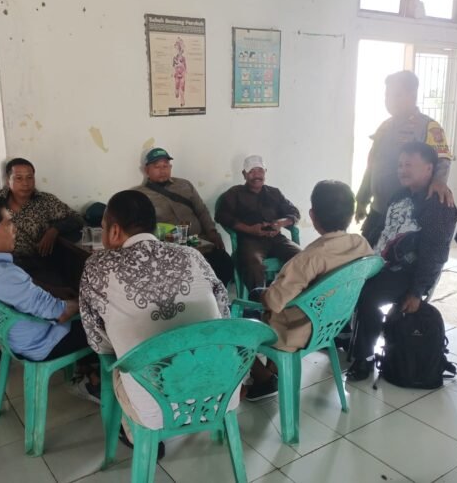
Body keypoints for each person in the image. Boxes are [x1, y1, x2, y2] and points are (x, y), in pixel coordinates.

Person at [79, 190, 232, 457]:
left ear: (114, 231)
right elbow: (223, 310)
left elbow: (98, 342)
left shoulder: (97, 266)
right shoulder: (192, 255)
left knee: (119, 363)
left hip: (153, 404)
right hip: (219, 390)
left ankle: (138, 435)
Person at [0, 157, 85, 383]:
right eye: (19, 178)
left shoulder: (45, 201)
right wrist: (85, 304)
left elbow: (76, 219)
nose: (25, 183)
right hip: (9, 272)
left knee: (55, 288)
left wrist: (53, 230)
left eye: (30, 177)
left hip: (33, 262)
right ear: (8, 180)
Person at [245, 181, 373, 400]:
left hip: (297, 332)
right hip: (332, 324)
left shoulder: (307, 259)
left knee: (240, 314)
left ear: (313, 216)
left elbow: (274, 301)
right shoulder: (360, 244)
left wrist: (262, 293)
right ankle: (274, 370)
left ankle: (264, 378)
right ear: (351, 215)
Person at [348, 142, 457, 381]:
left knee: (369, 295)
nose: (402, 170)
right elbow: (382, 231)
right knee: (345, 278)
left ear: (429, 168)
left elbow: (435, 254)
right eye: (400, 165)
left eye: (409, 165)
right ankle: (348, 335)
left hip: (408, 272)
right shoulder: (400, 195)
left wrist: (417, 292)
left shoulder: (438, 204)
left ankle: (364, 357)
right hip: (382, 263)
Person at [356, 71, 453, 247]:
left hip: (406, 214)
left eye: (397, 95)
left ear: (413, 95)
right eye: (387, 95)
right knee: (367, 256)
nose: (390, 101)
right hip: (378, 209)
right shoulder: (384, 127)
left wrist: (439, 182)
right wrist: (362, 198)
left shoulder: (428, 127)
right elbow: (372, 165)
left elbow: (443, 160)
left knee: (395, 258)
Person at [134, 147, 233, 286]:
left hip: (199, 241)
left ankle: (216, 297)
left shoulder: (185, 185)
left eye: (165, 166)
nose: (162, 170)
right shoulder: (139, 195)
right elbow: (141, 228)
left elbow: (201, 211)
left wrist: (212, 232)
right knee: (189, 280)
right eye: (157, 166)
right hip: (170, 249)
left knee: (224, 264)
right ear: (146, 170)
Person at [215, 155, 301, 296]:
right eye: (252, 171)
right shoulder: (235, 193)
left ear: (265, 172)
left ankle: (292, 298)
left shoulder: (274, 193)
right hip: (250, 241)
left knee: (301, 257)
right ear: (244, 174)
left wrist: (280, 223)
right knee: (253, 265)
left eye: (260, 171)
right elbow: (222, 216)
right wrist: (249, 229)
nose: (256, 175)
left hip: (276, 238)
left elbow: (294, 212)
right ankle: (259, 303)